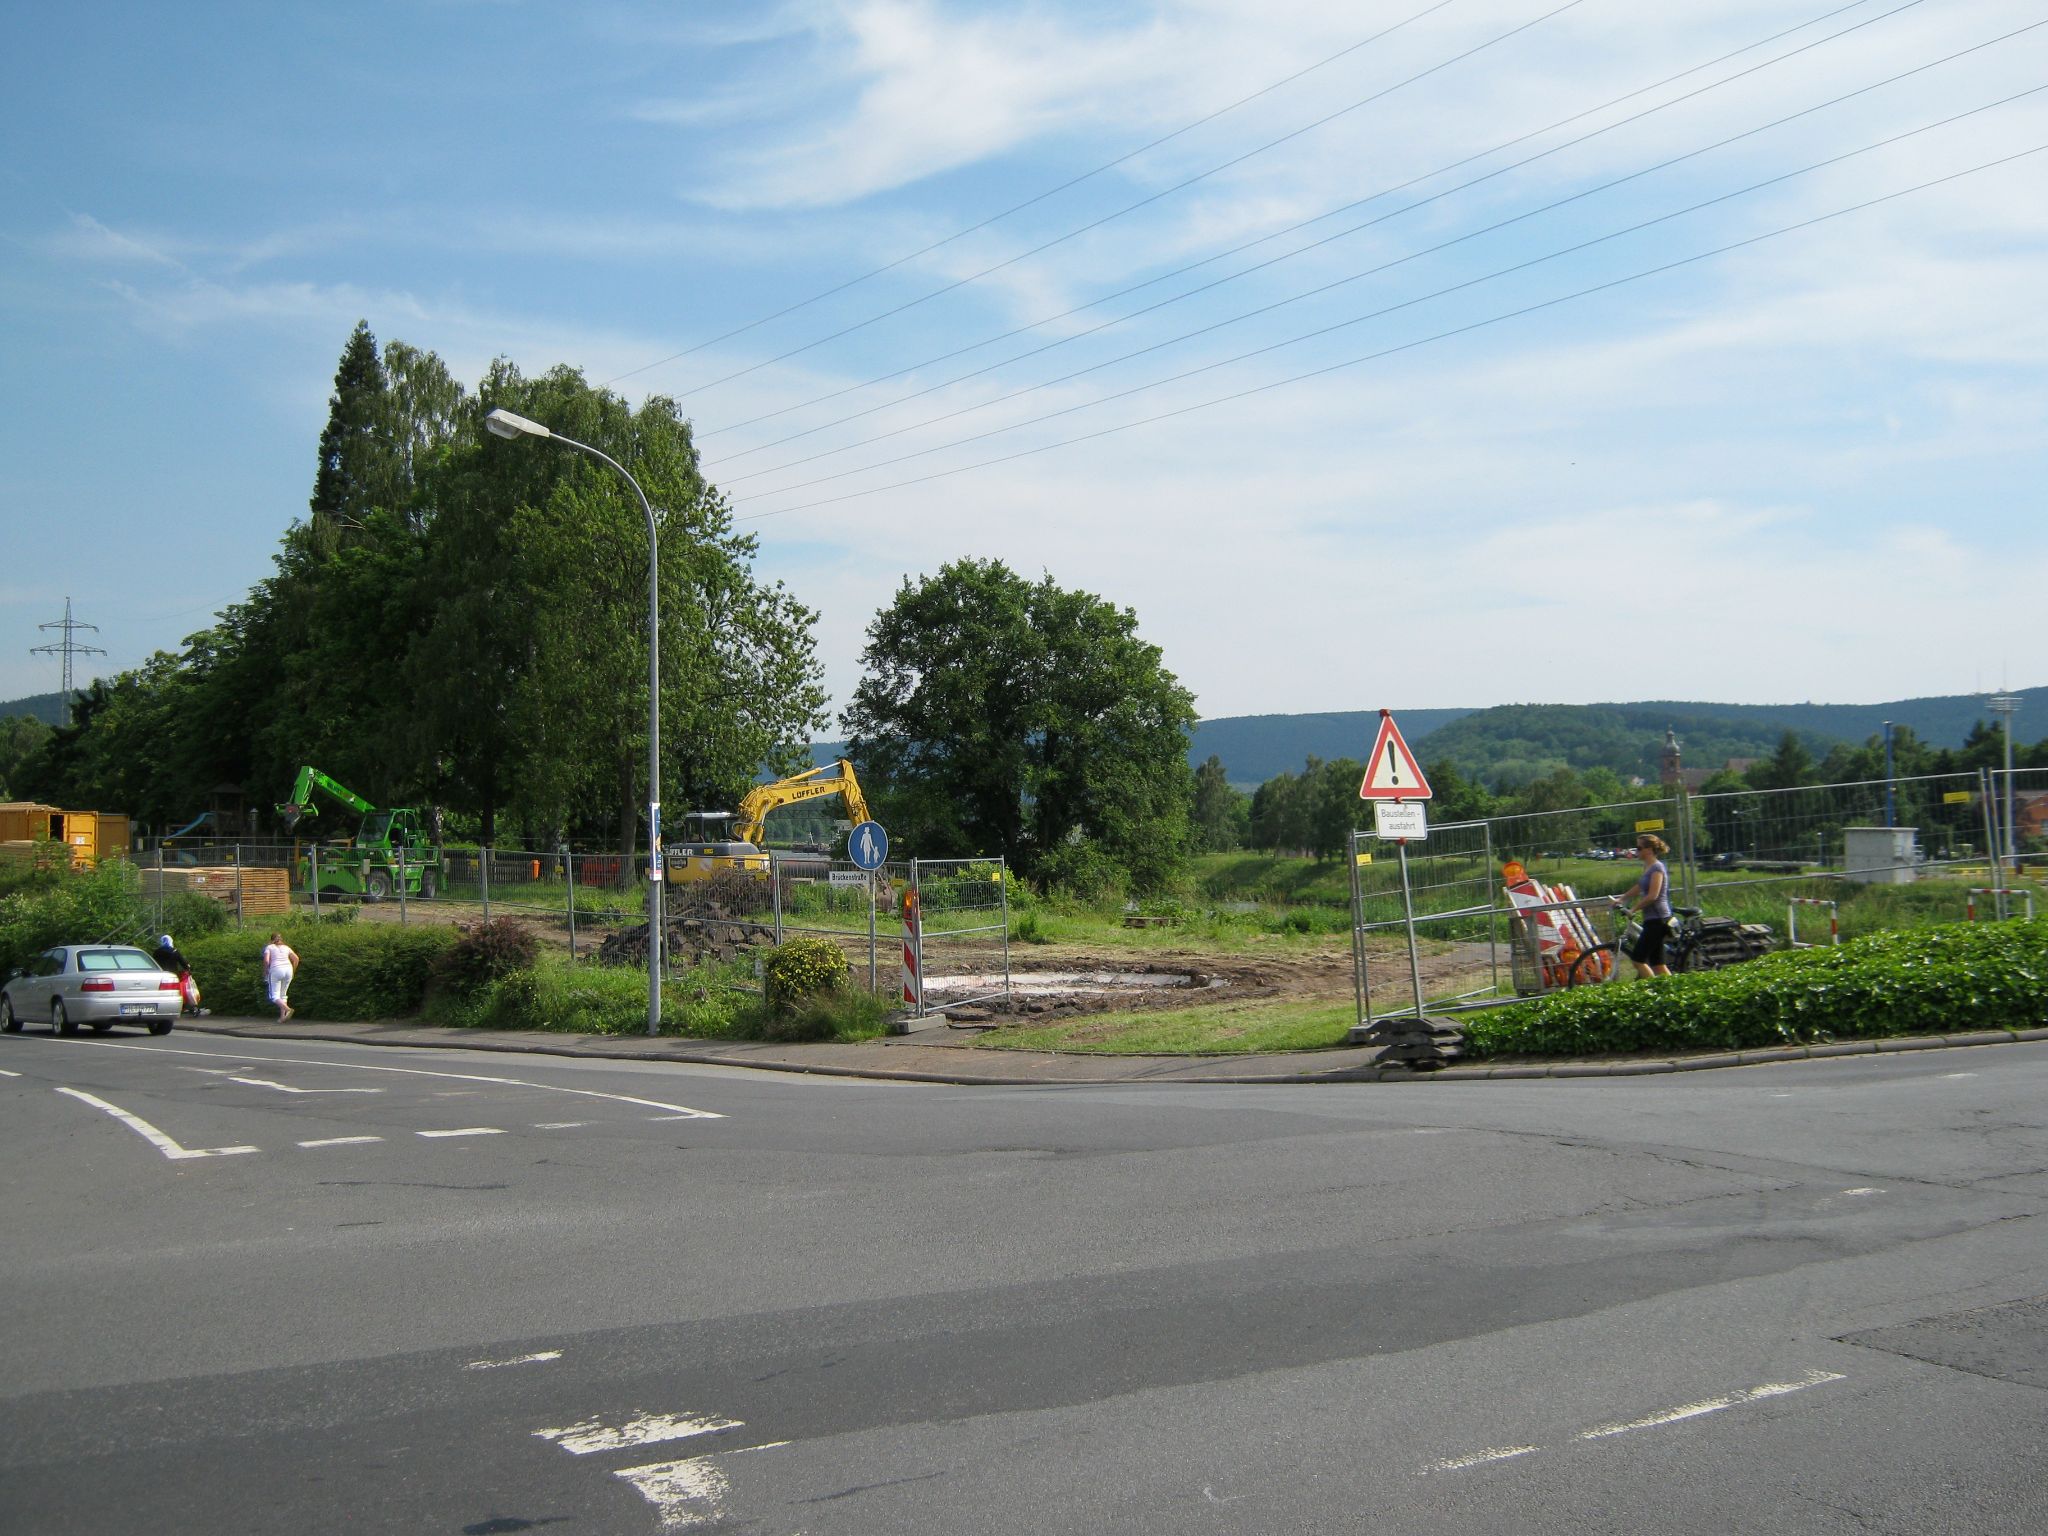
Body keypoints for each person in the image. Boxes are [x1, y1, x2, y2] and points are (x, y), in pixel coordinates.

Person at [1612, 833, 1673, 979]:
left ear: (1649, 849)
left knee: (1638, 959)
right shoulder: (1648, 866)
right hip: (1652, 919)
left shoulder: (1657, 868)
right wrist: (1622, 898)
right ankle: (1672, 990)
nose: (1636, 851)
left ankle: (1653, 992)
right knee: (1658, 964)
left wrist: (1633, 909)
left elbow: (1653, 895)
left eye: (1639, 848)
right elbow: (1640, 886)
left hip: (1658, 919)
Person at [261, 931, 301, 1021]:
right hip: (288, 970)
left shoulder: (269, 947)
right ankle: (283, 1017)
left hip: (276, 970)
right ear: (281, 939)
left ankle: (288, 1009)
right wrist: (293, 971)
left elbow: (266, 961)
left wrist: (266, 971)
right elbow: (296, 959)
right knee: (283, 994)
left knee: (273, 996)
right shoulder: (286, 947)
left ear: (271, 940)